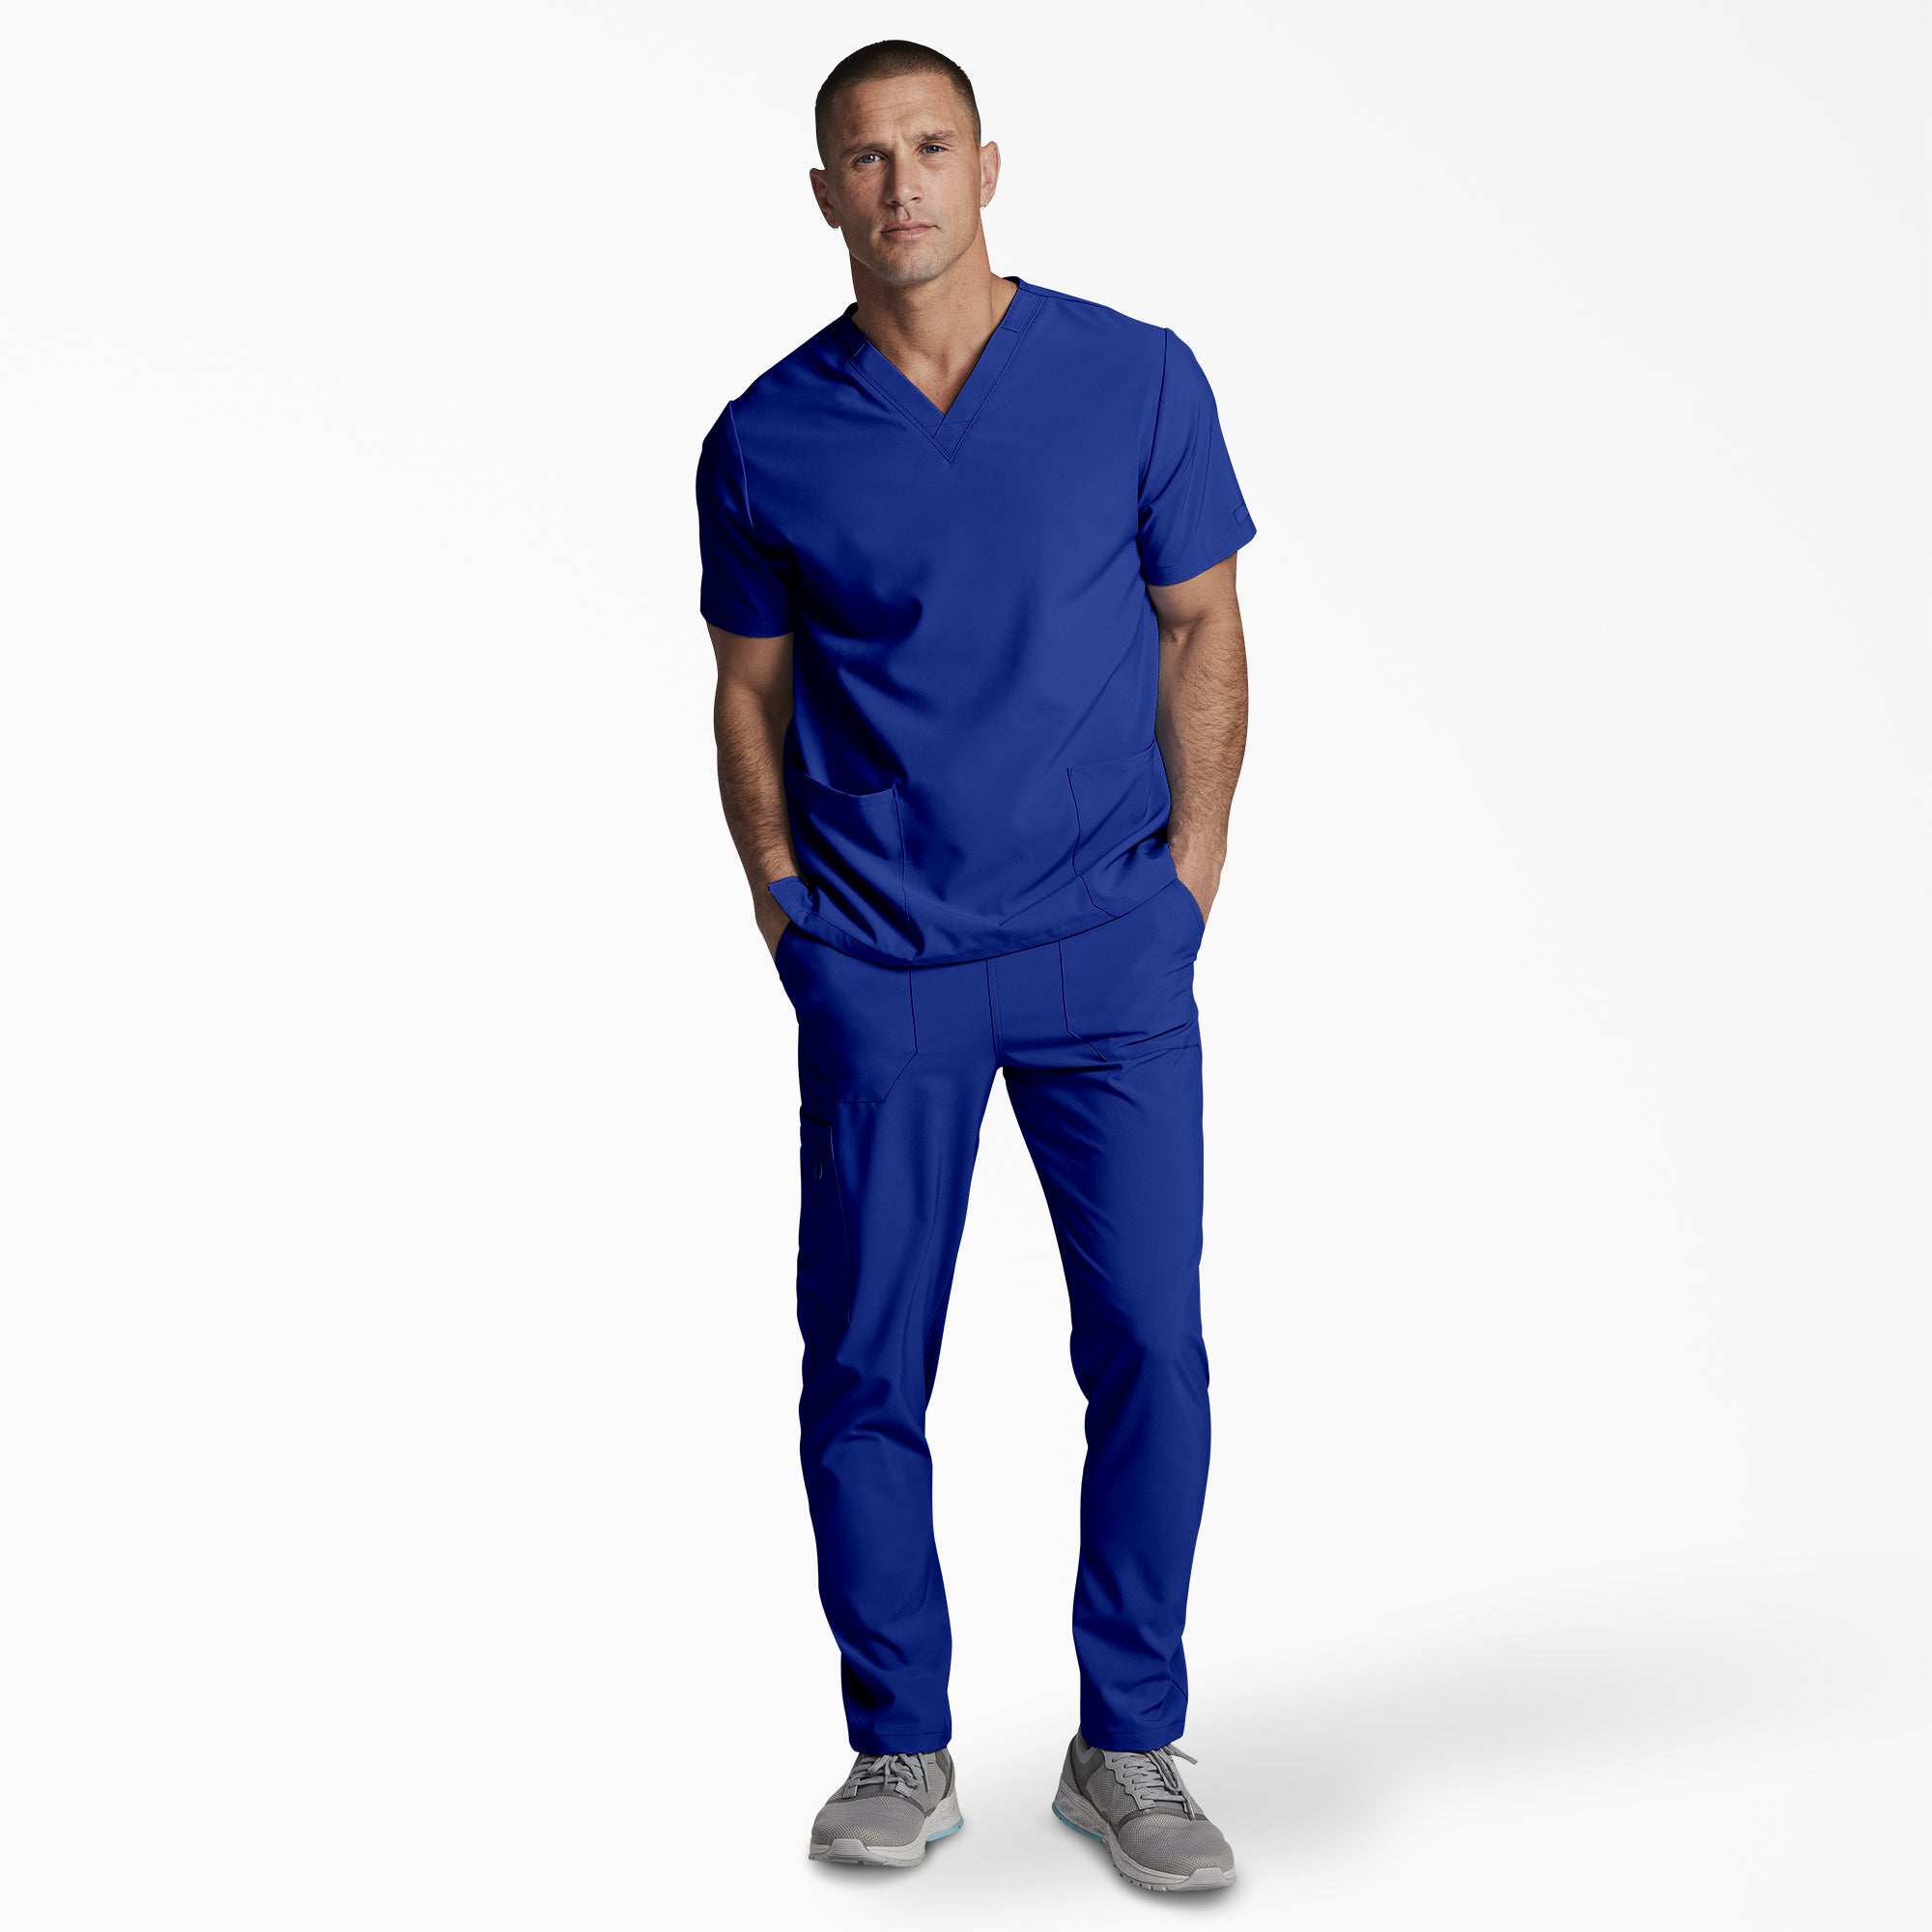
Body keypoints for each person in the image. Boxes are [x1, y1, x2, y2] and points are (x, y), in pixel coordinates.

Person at [696, 40, 1256, 1893]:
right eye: (866, 158)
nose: (902, 184)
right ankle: (899, 1741)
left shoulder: (1135, 377)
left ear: (988, 166)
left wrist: (1187, 881)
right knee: (864, 1364)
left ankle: (1130, 1740)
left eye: (930, 147)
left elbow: (1203, 627)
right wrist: (787, 905)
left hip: (1110, 947)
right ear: (825, 194)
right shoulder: (766, 438)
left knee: (1152, 1352)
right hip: (885, 960)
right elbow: (749, 692)